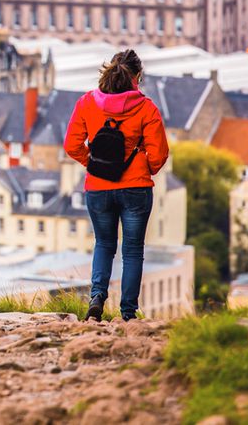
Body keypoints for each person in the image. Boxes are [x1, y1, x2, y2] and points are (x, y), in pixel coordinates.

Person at [63, 49, 169, 321]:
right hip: (136, 188)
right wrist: (145, 168)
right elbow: (159, 153)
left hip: (98, 188)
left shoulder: (87, 102)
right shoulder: (146, 109)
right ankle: (128, 313)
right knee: (132, 250)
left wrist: (93, 164)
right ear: (138, 77)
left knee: (104, 243)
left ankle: (97, 298)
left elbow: (72, 144)